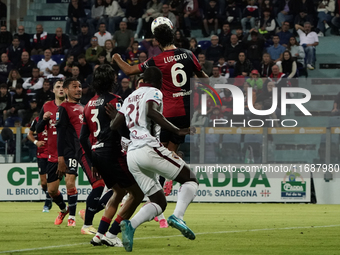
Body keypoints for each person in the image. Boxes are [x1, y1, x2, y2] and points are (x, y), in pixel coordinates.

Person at [109, 66, 199, 252]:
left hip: (132, 155)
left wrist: (122, 119)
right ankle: (178, 216)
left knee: (159, 201)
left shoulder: (130, 97)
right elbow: (151, 111)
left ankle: (131, 225)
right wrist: (177, 130)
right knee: (190, 179)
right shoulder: (154, 91)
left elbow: (114, 125)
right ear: (159, 81)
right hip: (148, 147)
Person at [112, 24, 208, 153]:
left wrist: (116, 57)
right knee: (172, 152)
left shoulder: (157, 60)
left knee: (160, 153)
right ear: (172, 37)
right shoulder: (188, 54)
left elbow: (129, 71)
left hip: (167, 113)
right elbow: (205, 79)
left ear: (157, 41)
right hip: (186, 112)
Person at [79, 64, 144, 246]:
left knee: (118, 191)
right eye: (115, 77)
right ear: (111, 80)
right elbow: (124, 131)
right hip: (112, 152)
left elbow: (83, 138)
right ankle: (112, 234)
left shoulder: (89, 104)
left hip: (96, 153)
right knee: (137, 194)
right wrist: (117, 117)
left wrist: (92, 160)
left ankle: (99, 235)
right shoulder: (115, 100)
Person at [55, 77, 112, 233]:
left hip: (95, 148)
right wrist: (61, 158)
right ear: (66, 90)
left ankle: (87, 213)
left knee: (116, 186)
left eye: (80, 86)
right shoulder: (64, 108)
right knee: (99, 184)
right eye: (74, 86)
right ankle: (87, 225)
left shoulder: (83, 106)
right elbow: (60, 134)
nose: (79, 89)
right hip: (82, 150)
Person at [36, 80, 69, 226]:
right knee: (51, 190)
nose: (61, 89)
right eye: (58, 87)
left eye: (63, 87)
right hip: (53, 155)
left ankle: (74, 219)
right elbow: (37, 129)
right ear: (53, 91)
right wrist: (43, 120)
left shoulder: (71, 106)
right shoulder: (47, 106)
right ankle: (64, 209)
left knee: (71, 184)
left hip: (69, 153)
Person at [27, 113, 52, 212]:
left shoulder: (56, 119)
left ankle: (47, 201)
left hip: (53, 154)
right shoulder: (37, 120)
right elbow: (29, 134)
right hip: (41, 154)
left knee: (51, 180)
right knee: (43, 182)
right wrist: (36, 142)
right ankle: (49, 197)